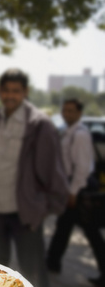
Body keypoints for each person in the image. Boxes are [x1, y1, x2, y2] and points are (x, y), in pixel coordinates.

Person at [0, 68, 69, 287]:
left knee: (32, 274)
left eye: (16, 91)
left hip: (25, 216)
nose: (10, 95)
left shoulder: (39, 125)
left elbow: (54, 171)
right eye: (6, 90)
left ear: (25, 92)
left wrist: (42, 209)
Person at [46, 98, 105, 287]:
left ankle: (52, 263)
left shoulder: (80, 134)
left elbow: (82, 167)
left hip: (79, 189)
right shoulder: (67, 132)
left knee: (90, 233)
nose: (67, 114)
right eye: (65, 110)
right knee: (65, 228)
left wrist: (73, 192)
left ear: (79, 113)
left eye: (71, 111)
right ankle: (51, 263)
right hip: (71, 187)